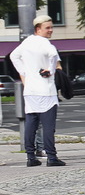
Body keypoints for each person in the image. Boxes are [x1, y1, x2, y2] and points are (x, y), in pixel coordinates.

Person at [10, 15, 65, 167]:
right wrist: (51, 70)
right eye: (47, 28)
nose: (51, 30)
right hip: (46, 90)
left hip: (30, 89)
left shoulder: (26, 42)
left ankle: (30, 157)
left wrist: (25, 74)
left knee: (31, 124)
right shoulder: (45, 43)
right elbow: (53, 55)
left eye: (51, 27)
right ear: (38, 29)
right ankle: (51, 157)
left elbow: (14, 56)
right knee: (48, 125)